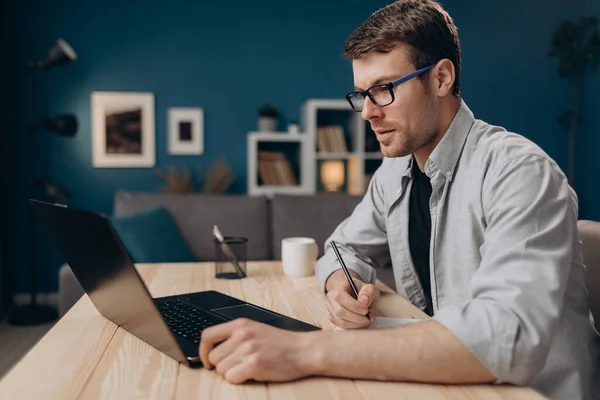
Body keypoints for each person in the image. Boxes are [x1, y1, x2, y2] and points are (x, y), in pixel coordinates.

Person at [199, 1, 599, 398]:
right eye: (361, 95)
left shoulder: (520, 172)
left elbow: (506, 340)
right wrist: (344, 285)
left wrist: (304, 350)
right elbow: (342, 247)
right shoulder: (395, 172)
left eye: (384, 89)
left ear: (442, 78)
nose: (367, 113)